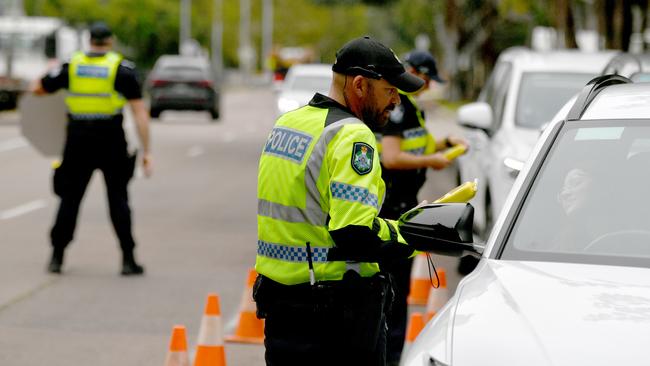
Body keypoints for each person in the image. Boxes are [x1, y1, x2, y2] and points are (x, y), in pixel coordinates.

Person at [253, 36, 424, 366]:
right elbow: (352, 235)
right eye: (390, 90)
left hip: (281, 307)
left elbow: (309, 215)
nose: (396, 102)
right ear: (360, 85)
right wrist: (411, 237)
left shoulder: (288, 124)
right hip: (334, 317)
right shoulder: (352, 135)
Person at [31, 21, 152, 275]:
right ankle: (128, 259)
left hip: (78, 140)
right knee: (118, 200)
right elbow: (140, 114)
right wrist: (147, 151)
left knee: (70, 199)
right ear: (110, 41)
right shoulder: (122, 70)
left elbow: (38, 88)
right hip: (111, 140)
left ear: (89, 41)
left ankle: (56, 257)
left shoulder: (72, 66)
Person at [375, 49, 468, 365]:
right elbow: (391, 156)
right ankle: (389, 358)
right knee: (393, 293)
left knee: (397, 290)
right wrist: (434, 160)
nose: (427, 86)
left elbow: (417, 145)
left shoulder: (413, 108)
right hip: (390, 207)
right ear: (414, 72)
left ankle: (392, 354)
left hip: (403, 203)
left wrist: (444, 145)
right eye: (425, 79)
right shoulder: (398, 108)